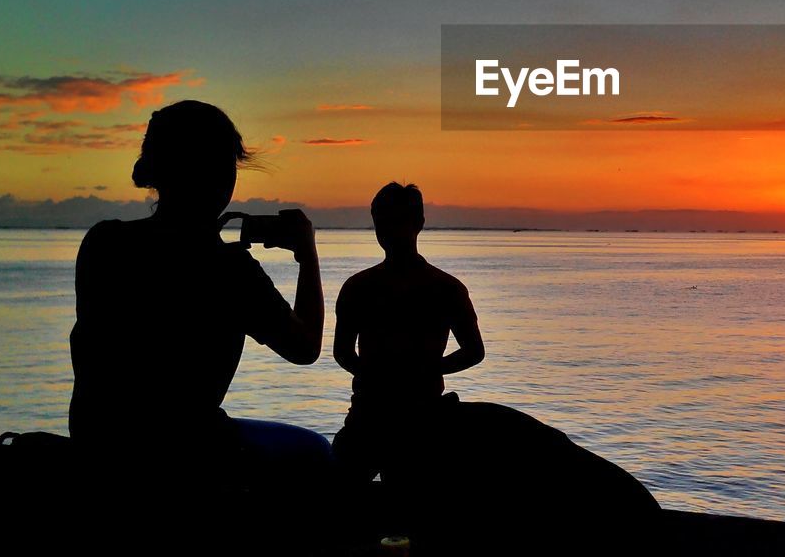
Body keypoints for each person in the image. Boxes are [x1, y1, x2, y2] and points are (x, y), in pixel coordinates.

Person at [67, 100, 331, 549]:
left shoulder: (103, 242)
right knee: (315, 453)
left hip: (99, 450)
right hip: (188, 456)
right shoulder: (229, 271)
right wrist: (307, 256)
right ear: (219, 176)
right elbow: (305, 347)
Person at [331, 182, 484, 490]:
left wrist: (426, 370)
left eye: (397, 221)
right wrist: (374, 375)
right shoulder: (357, 288)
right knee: (336, 492)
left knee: (409, 503)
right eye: (382, 223)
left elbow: (474, 350)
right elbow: (342, 352)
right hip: (367, 415)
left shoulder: (447, 288)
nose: (389, 231)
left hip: (423, 416)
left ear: (419, 224)